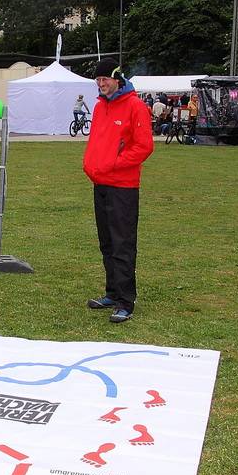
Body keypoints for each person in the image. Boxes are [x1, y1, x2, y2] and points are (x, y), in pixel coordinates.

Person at [83, 58, 154, 323]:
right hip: (101, 183)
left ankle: (126, 300)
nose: (101, 84)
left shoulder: (135, 106)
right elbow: (97, 141)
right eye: (98, 80)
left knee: (122, 243)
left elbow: (143, 146)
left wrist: (114, 164)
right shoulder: (100, 106)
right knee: (107, 242)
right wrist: (91, 164)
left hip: (123, 186)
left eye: (105, 79)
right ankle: (112, 293)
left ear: (117, 78)